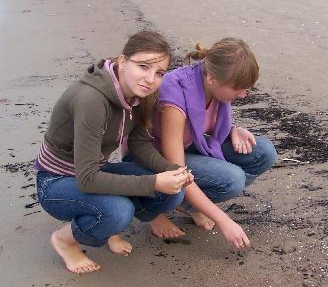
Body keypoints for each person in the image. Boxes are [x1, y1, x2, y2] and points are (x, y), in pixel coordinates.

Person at [35, 30, 192, 274]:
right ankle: (65, 240)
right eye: (143, 66)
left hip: (95, 169)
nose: (150, 79)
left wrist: (172, 170)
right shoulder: (91, 99)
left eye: (159, 73)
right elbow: (87, 180)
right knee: (118, 211)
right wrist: (154, 182)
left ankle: (110, 229)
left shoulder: (139, 93)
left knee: (173, 192)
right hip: (56, 181)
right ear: (122, 61)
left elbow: (139, 143)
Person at [151, 38, 277, 250]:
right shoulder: (175, 95)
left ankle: (188, 204)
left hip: (189, 145)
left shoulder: (214, 82)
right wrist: (223, 220)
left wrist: (233, 129)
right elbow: (176, 170)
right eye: (238, 89)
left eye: (247, 89)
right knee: (232, 180)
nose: (243, 95)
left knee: (264, 152)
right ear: (211, 79)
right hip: (155, 158)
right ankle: (154, 208)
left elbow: (202, 122)